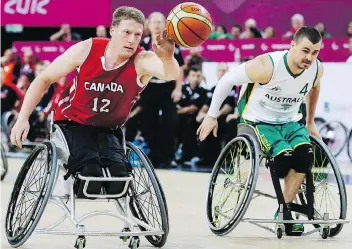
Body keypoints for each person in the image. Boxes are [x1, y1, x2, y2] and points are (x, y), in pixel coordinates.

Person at [11, 6, 180, 195]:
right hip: (73, 123)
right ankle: (68, 179)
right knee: (90, 176)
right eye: (126, 33)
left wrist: (168, 58)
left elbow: (170, 73)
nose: (132, 40)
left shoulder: (142, 59)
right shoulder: (87, 48)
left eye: (137, 34)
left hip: (109, 130)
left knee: (119, 179)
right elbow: (44, 79)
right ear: (112, 31)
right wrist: (22, 118)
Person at [197, 27, 323, 235]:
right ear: (292, 45)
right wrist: (211, 115)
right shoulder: (267, 66)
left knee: (305, 155)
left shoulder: (317, 69)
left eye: (315, 52)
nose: (309, 58)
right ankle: (286, 201)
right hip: (258, 121)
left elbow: (315, 87)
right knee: (284, 158)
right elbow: (227, 79)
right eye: (305, 50)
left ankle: (285, 210)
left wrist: (309, 121)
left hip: (290, 122)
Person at [139, 12, 184, 168]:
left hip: (168, 87)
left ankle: (168, 157)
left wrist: (178, 88)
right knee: (148, 122)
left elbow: (181, 67)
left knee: (169, 123)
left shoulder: (171, 44)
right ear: (149, 24)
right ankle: (153, 156)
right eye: (154, 22)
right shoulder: (143, 44)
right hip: (149, 88)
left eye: (160, 21)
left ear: (165, 24)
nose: (157, 24)